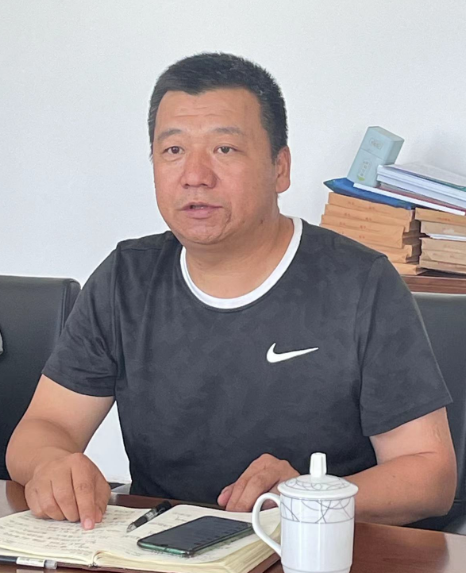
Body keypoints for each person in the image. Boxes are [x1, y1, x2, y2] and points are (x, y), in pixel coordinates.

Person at [7, 53, 456, 531]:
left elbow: (430, 475)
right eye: (173, 150)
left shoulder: (360, 283)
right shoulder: (127, 277)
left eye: (224, 149)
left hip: (311, 548)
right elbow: (44, 428)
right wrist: (51, 464)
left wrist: (307, 497)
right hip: (160, 548)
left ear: (280, 168)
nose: (195, 175)